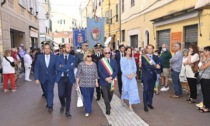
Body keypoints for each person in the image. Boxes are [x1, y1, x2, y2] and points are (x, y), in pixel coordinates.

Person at [34, 44, 57, 113]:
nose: (47, 50)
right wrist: (36, 78)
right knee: (46, 91)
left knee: (50, 91)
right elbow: (36, 68)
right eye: (45, 48)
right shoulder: (39, 57)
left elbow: (57, 68)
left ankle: (50, 106)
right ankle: (48, 102)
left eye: (48, 48)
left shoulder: (55, 57)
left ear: (50, 49)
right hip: (42, 78)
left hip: (51, 77)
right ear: (43, 49)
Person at [76, 49, 99, 117]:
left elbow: (96, 73)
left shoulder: (94, 64)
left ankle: (88, 107)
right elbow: (78, 74)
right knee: (86, 97)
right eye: (88, 56)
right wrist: (77, 84)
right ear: (85, 56)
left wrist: (96, 81)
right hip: (83, 84)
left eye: (91, 56)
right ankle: (87, 110)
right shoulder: (81, 64)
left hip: (91, 84)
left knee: (90, 97)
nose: (90, 57)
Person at [56, 43, 76, 118]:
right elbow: (57, 68)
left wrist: (63, 66)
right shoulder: (58, 57)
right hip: (61, 78)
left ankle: (67, 111)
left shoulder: (73, 57)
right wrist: (67, 67)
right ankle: (63, 104)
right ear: (64, 48)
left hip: (69, 78)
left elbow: (72, 66)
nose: (69, 48)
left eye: (70, 47)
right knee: (60, 94)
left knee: (68, 95)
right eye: (67, 47)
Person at [98, 47, 118, 115]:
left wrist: (111, 78)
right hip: (104, 81)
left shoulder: (114, 61)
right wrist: (105, 78)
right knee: (105, 96)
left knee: (110, 95)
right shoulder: (101, 61)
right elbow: (100, 71)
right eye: (106, 53)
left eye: (108, 52)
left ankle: (108, 104)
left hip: (112, 81)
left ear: (110, 53)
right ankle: (108, 108)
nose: (107, 54)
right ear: (104, 53)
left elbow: (116, 70)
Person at [141, 44, 160, 112]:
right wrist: (155, 67)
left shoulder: (156, 57)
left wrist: (159, 66)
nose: (149, 50)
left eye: (151, 48)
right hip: (146, 76)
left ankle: (150, 103)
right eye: (148, 48)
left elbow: (159, 64)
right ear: (146, 49)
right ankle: (145, 105)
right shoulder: (143, 57)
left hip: (153, 76)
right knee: (146, 90)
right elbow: (146, 66)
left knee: (151, 91)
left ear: (153, 49)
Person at [121, 47, 140, 111]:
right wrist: (127, 75)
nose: (129, 52)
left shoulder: (132, 59)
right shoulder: (122, 59)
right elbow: (122, 68)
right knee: (125, 89)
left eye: (130, 51)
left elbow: (135, 67)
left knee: (132, 90)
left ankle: (130, 105)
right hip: (125, 77)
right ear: (125, 51)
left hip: (132, 77)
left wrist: (133, 74)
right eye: (128, 50)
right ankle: (122, 98)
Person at [199, 46, 210, 113]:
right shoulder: (206, 58)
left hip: (207, 78)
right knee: (204, 92)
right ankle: (205, 105)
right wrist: (203, 62)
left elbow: (203, 67)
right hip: (203, 77)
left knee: (207, 93)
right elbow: (200, 67)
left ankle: (207, 107)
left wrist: (203, 62)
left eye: (206, 51)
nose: (204, 52)